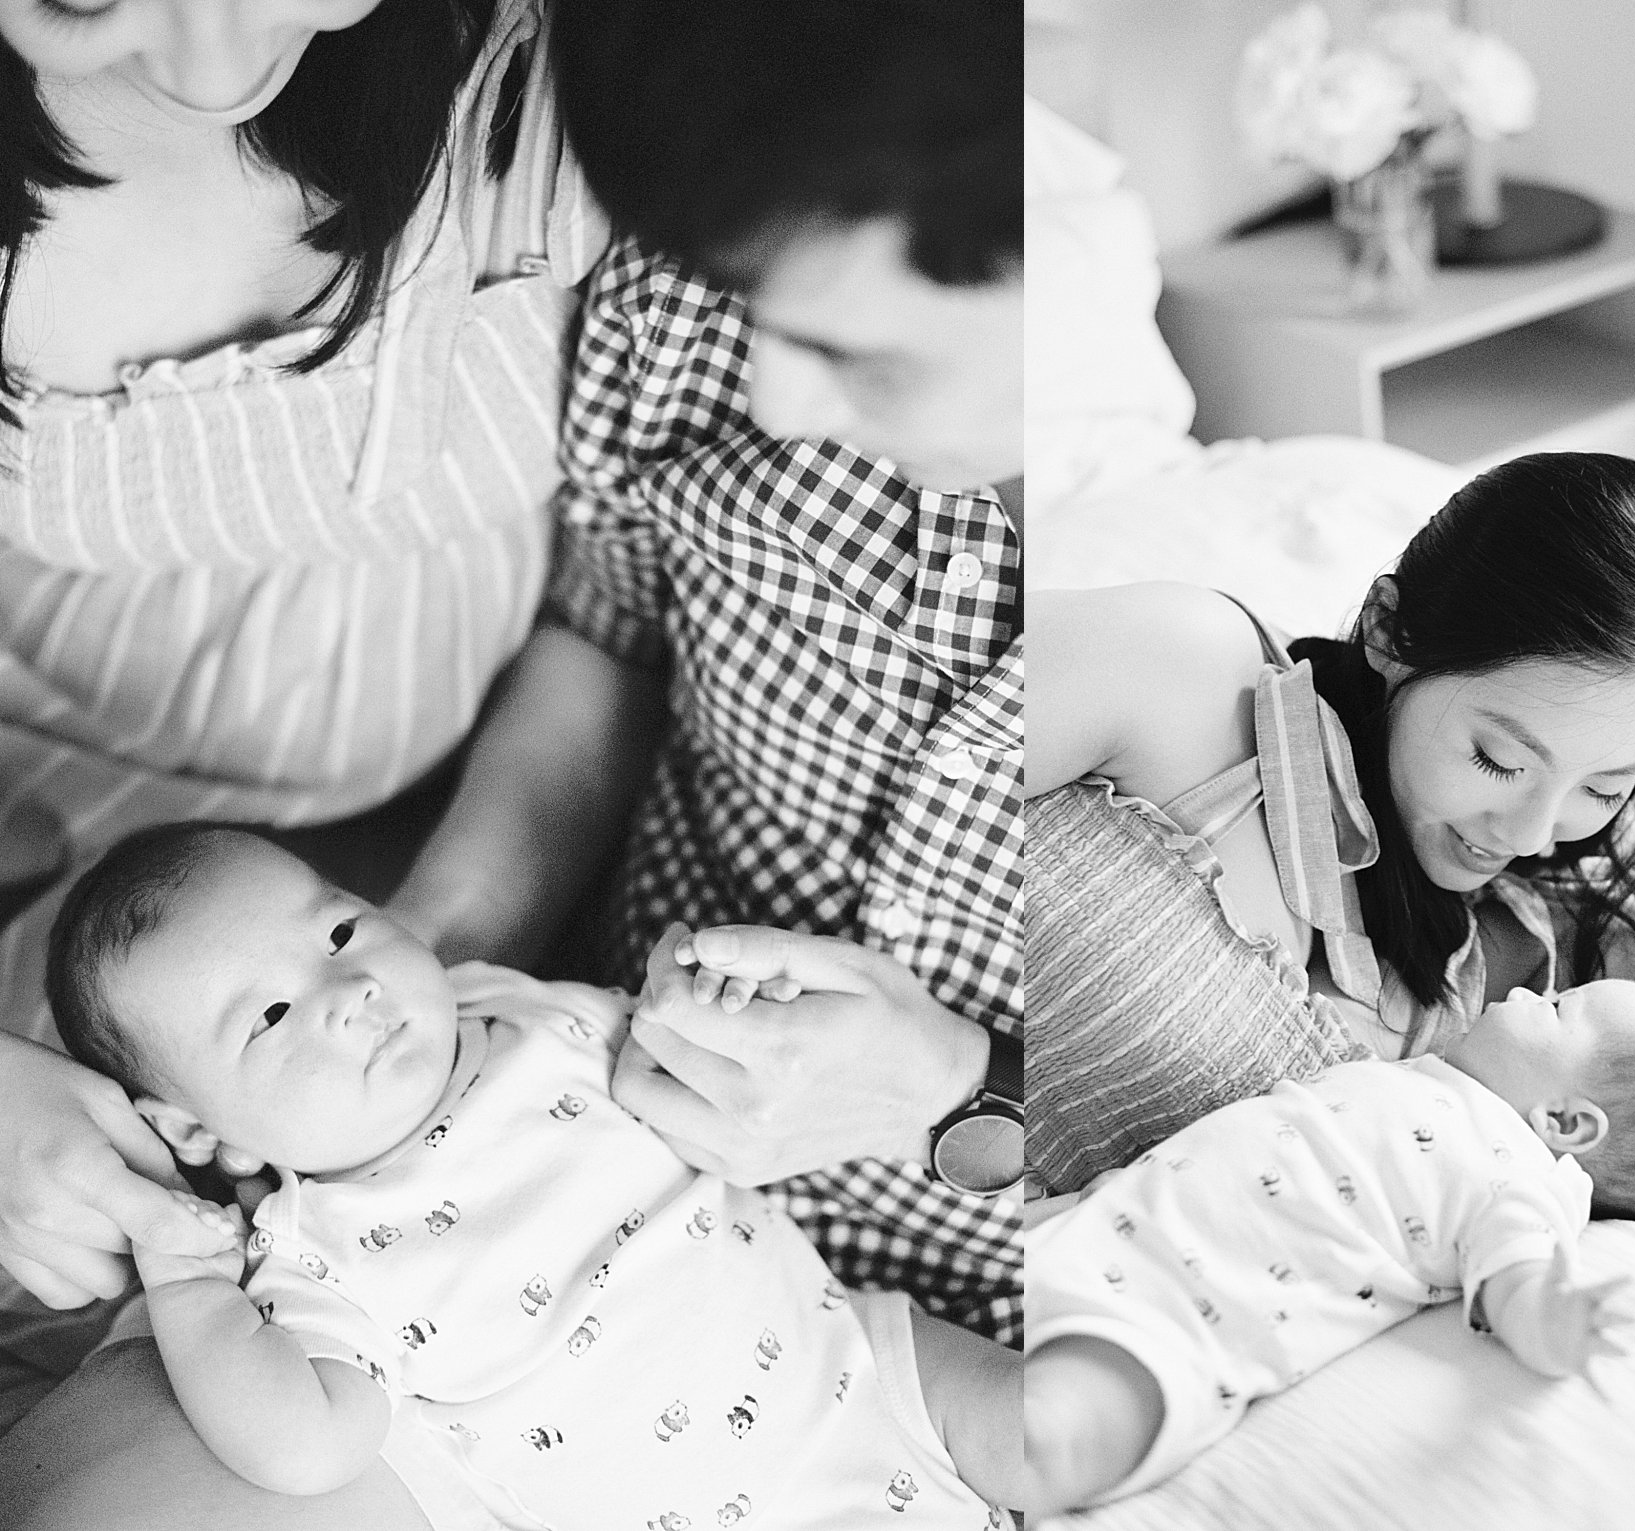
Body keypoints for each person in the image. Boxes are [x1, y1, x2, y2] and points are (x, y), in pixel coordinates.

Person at [0, 2, 627, 1523]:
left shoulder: (569, 78)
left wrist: (427, 969)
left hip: (456, 855)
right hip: (59, 864)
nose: (219, 66)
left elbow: (622, 599)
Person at [383, 0, 1024, 1361]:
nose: (778, 404)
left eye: (858, 356)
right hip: (603, 1182)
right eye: (754, 313)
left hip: (1002, 1292)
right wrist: (421, 960)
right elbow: (606, 635)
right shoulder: (690, 287)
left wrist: (964, 1089)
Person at [41, 822, 1019, 1527]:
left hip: (868, 1378)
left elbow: (688, 1060)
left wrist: (707, 995)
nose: (349, 991)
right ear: (200, 1133)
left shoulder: (513, 1012)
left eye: (338, 932)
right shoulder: (313, 1250)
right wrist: (182, 1279)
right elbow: (307, 1449)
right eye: (269, 1017)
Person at [1026, 454, 1635, 1195]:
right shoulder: (1188, 683)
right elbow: (887, 757)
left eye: (1605, 788)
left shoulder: (1506, 966)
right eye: (1499, 759)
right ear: (1389, 631)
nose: (1535, 830)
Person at [1021, 978, 1635, 1513]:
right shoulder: (1417, 1078)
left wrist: (1553, 1317)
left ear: (1566, 1121)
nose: (1529, 989)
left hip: (1180, 1321)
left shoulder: (1520, 1176)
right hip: (1103, 1220)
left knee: (1049, 1435)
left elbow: (1518, 1273)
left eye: (1557, 1008)